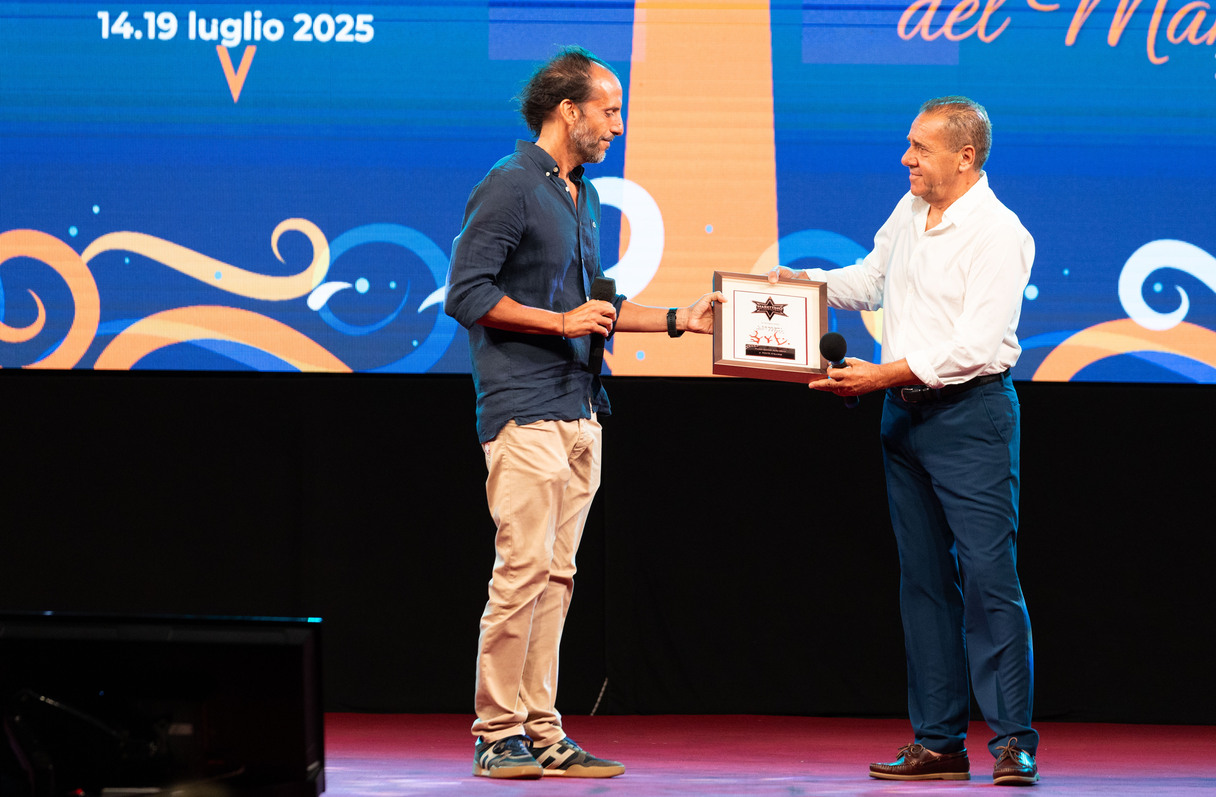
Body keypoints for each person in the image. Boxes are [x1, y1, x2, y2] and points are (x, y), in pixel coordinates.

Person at [444, 45, 723, 780]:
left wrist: (679, 319)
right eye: (609, 109)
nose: (618, 125)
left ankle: (542, 729)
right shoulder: (509, 185)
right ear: (568, 110)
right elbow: (466, 294)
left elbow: (595, 306)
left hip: (580, 407)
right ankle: (496, 730)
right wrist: (558, 323)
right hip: (524, 408)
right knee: (522, 570)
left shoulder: (582, 194)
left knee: (557, 576)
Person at [769, 96, 1039, 786]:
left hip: (971, 416)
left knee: (989, 579)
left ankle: (1013, 742)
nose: (906, 159)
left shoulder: (1000, 233)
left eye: (920, 148)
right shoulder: (911, 209)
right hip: (904, 417)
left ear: (965, 157)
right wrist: (801, 284)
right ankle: (940, 742)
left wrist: (881, 374)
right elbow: (870, 279)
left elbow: (975, 346)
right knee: (923, 583)